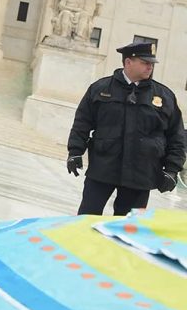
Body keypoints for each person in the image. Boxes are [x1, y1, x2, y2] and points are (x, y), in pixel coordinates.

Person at [67, 41, 185, 215]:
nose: (150, 67)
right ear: (128, 62)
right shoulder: (101, 89)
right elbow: (82, 123)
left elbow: (176, 135)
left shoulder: (164, 96)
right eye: (145, 63)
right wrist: (75, 151)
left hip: (140, 174)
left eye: (151, 64)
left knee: (128, 227)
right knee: (87, 217)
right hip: (103, 168)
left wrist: (172, 169)